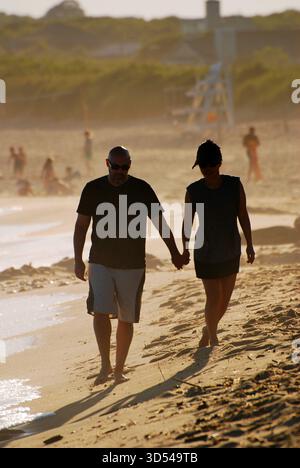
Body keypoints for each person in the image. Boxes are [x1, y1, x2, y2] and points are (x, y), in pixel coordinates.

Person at [74, 146, 184, 385]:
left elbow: (160, 224)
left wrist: (174, 253)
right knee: (101, 310)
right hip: (100, 261)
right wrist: (77, 259)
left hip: (133, 264)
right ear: (107, 164)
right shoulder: (93, 189)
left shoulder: (141, 189)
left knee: (127, 316)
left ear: (129, 166)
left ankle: (119, 369)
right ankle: (105, 365)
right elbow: (81, 226)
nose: (120, 171)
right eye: (116, 166)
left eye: (125, 167)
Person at [182, 140, 255, 348]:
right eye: (203, 166)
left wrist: (250, 244)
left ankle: (208, 328)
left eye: (210, 165)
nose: (207, 170)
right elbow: (188, 223)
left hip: (231, 249)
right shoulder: (193, 191)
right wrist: (184, 249)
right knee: (213, 297)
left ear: (219, 163)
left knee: (225, 300)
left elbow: (243, 215)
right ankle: (214, 337)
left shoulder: (234, 185)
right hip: (205, 251)